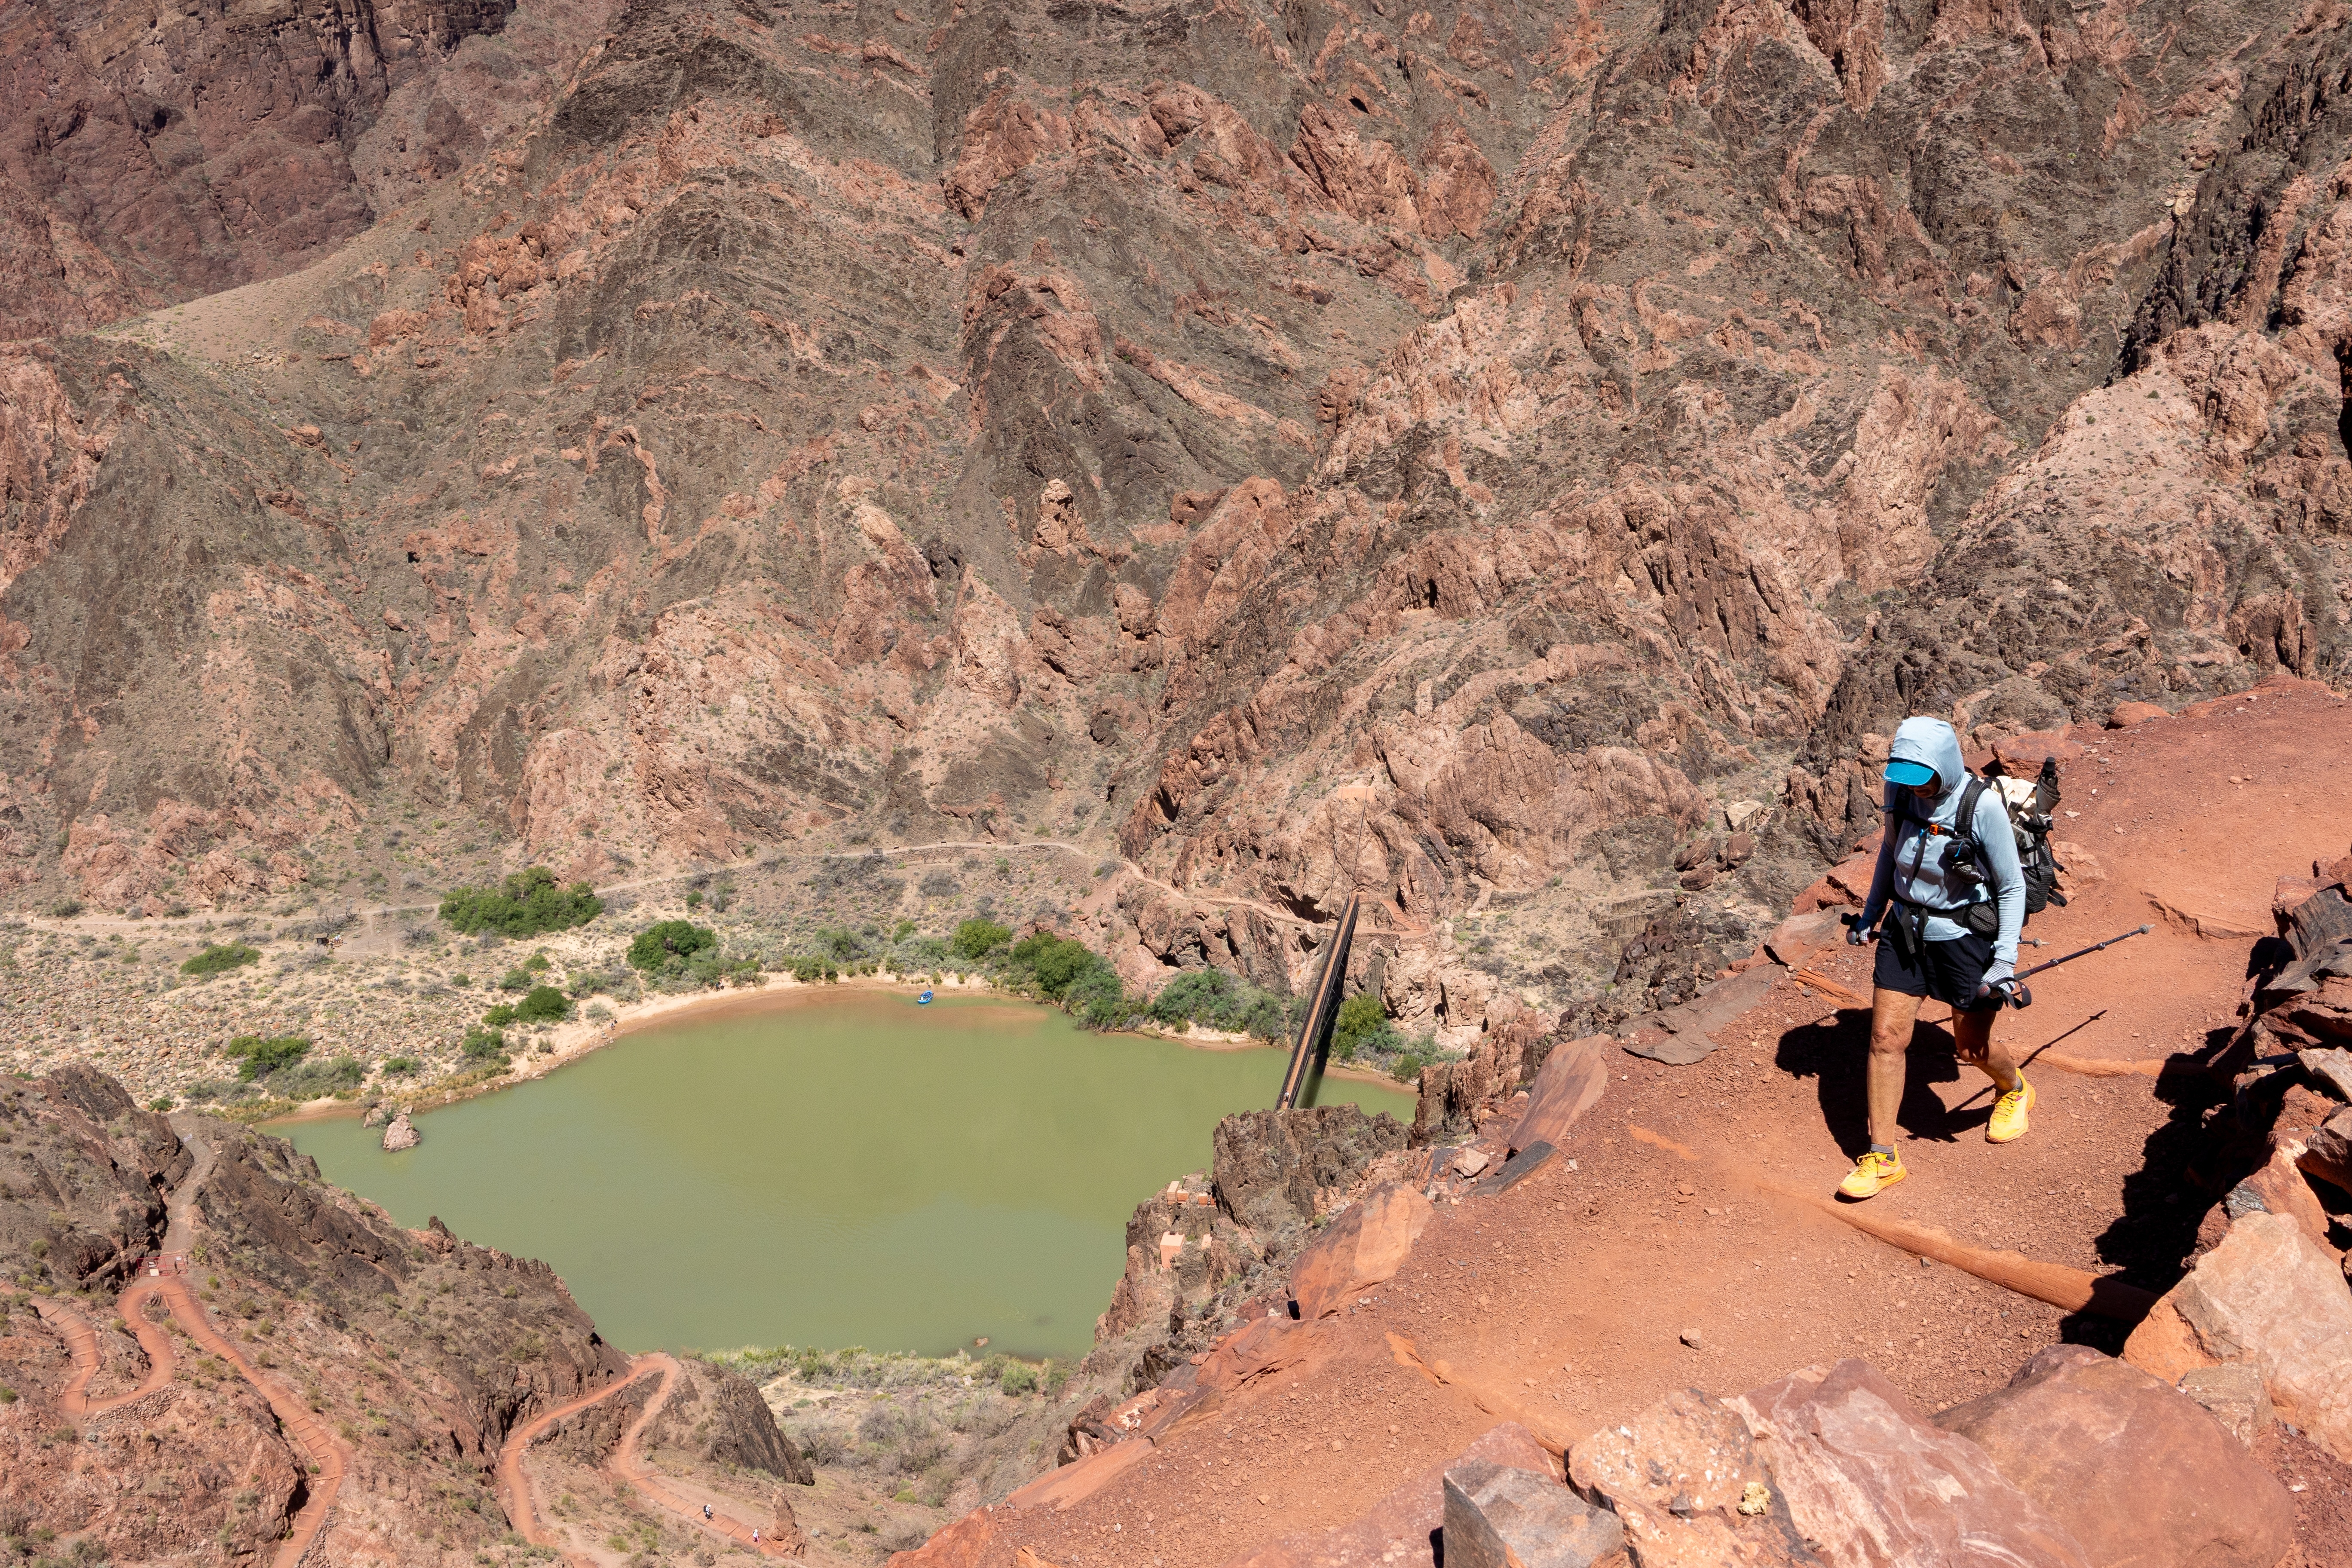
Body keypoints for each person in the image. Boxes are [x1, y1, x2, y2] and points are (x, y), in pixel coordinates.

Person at [1840, 716, 2033, 1198]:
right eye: (1905, 776)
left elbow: (2011, 888)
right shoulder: (1902, 791)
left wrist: (2004, 964)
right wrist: (1871, 914)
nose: (1914, 787)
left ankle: (2013, 1090)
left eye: (1922, 776)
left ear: (1944, 766)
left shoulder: (1981, 806)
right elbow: (1890, 852)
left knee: (1970, 1049)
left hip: (1964, 937)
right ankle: (1882, 1157)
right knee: (1885, 1038)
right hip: (1905, 930)